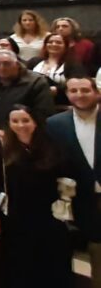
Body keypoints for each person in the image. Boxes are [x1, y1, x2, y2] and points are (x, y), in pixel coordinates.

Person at [0, 104, 72, 288]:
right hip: (15, 214)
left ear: (35, 122)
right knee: (17, 263)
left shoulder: (52, 145)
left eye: (25, 120)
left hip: (48, 214)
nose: (20, 125)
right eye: (15, 121)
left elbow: (64, 178)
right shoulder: (1, 148)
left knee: (49, 263)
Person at [46, 77, 101, 283]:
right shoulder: (55, 123)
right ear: (67, 94)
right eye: (74, 90)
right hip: (73, 199)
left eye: (85, 90)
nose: (80, 95)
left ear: (97, 92)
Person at [0, 50, 56, 138]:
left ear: (16, 63)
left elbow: (43, 113)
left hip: (24, 136)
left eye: (7, 64)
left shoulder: (36, 81)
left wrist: (10, 133)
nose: (2, 68)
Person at [29, 33, 90, 106]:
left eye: (59, 42)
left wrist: (56, 90)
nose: (54, 44)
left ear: (66, 46)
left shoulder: (73, 64)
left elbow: (78, 83)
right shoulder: (34, 61)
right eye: (50, 42)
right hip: (34, 101)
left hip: (60, 102)